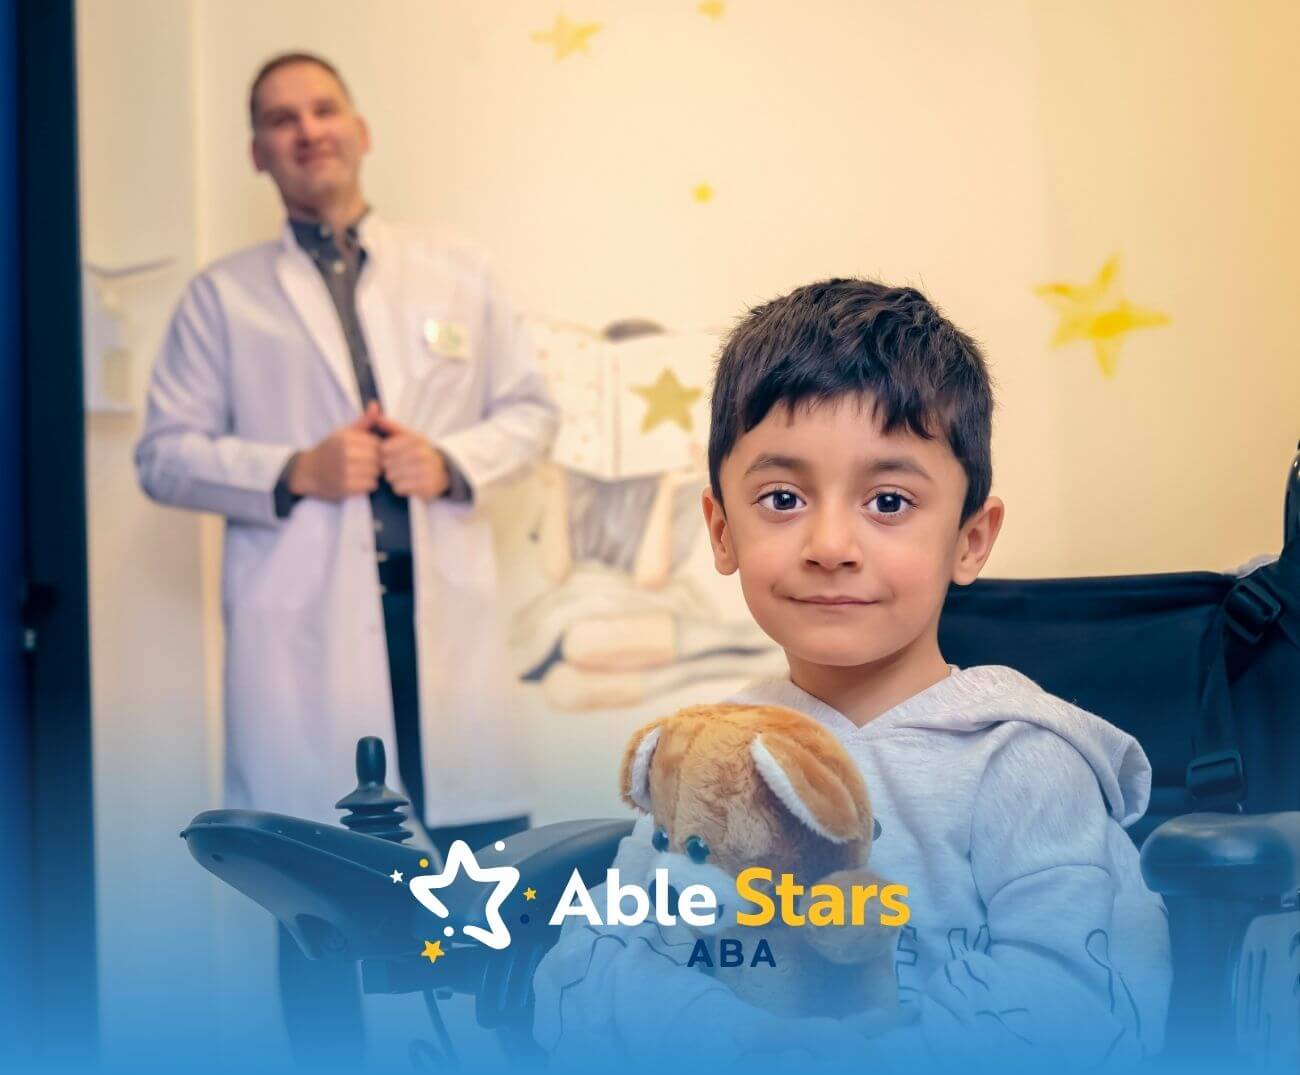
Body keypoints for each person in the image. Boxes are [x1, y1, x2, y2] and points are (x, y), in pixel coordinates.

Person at [531, 279, 1171, 1072]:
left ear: (972, 538)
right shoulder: (710, 759)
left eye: (890, 500)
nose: (830, 542)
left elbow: (1078, 1012)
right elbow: (593, 976)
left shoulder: (1022, 760)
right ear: (721, 531)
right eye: (784, 497)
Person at [135, 51, 557, 1066]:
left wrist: (447, 458)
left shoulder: (459, 267)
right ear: (256, 152)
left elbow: (535, 411)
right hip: (309, 647)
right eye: (281, 118)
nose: (307, 129)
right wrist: (295, 467)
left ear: (361, 128)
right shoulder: (220, 298)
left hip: (438, 630)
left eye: (324, 108)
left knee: (479, 904)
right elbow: (163, 453)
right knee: (320, 910)